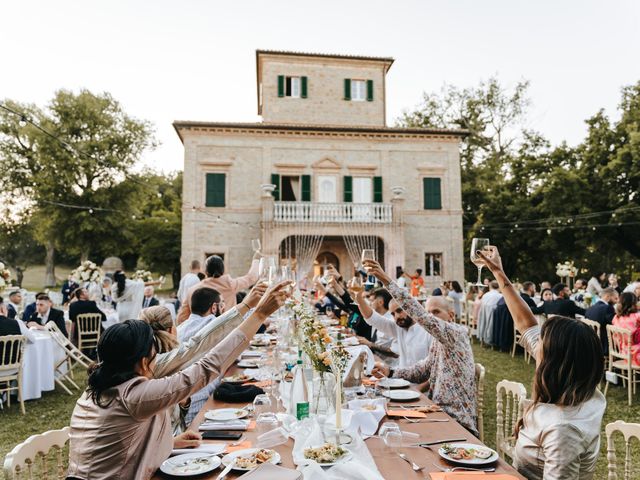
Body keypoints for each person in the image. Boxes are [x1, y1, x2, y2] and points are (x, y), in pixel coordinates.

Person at [66, 281, 287, 480]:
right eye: (154, 356)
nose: (157, 361)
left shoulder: (96, 388)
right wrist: (258, 315)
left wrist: (170, 443)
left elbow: (115, 447)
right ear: (144, 362)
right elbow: (206, 367)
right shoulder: (134, 395)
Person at [476, 246, 605, 480]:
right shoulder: (579, 387)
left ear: (555, 363)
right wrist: (498, 271)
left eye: (541, 348)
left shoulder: (563, 428)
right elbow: (526, 324)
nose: (535, 348)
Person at [364, 260, 477, 436]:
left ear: (451, 314)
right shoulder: (438, 341)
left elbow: (421, 316)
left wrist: (387, 281)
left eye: (436, 312)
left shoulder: (456, 333)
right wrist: (390, 371)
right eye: (429, 313)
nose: (431, 318)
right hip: (435, 411)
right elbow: (422, 369)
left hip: (457, 422)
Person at [354, 289, 432, 368]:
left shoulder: (428, 331)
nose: (397, 316)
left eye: (399, 310)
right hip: (399, 377)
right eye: (393, 314)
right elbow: (372, 318)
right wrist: (359, 299)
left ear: (410, 307)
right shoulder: (399, 328)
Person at [177, 253, 260, 323]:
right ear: (223, 270)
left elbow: (181, 318)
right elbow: (252, 277)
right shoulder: (230, 284)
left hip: (200, 336)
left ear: (205, 272)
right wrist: (256, 260)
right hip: (227, 333)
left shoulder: (193, 290)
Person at [585, 287, 619, 355]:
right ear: (608, 296)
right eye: (615, 298)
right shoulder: (608, 308)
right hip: (604, 344)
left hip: (591, 342)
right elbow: (616, 324)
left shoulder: (590, 308)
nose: (617, 301)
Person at [612, 292, 640, 366]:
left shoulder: (616, 317)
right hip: (636, 355)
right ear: (634, 303)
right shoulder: (637, 317)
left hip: (624, 353)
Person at [477, 280, 502, 344]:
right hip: (494, 315)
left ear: (490, 286)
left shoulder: (485, 295)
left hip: (484, 314)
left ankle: (482, 337)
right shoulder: (500, 296)